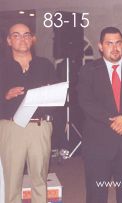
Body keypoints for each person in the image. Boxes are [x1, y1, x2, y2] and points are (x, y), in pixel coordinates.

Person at [77, 26, 122, 203]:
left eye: (118, 43)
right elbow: (86, 101)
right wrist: (114, 121)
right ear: (100, 46)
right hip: (98, 144)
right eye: (109, 43)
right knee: (96, 196)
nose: (115, 47)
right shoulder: (88, 70)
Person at [0, 23, 57, 203]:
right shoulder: (2, 66)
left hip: (39, 127)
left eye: (26, 35)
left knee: (40, 179)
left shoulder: (45, 65)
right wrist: (5, 96)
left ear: (33, 39)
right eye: (16, 35)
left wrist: (48, 95)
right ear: (9, 40)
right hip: (11, 127)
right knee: (12, 180)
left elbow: (57, 97)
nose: (22, 39)